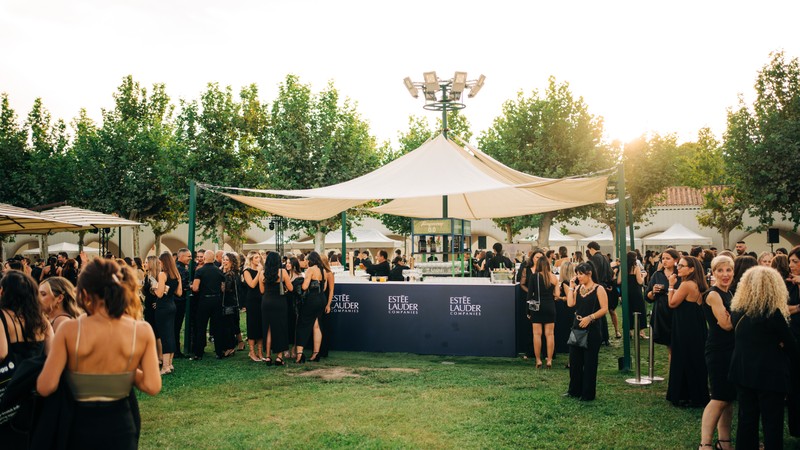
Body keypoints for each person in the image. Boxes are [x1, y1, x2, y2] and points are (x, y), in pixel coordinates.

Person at [36, 258, 161, 449]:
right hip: (121, 427)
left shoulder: (69, 330)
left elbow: (45, 386)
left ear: (84, 293)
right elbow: (152, 386)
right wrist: (121, 371)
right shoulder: (141, 330)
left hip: (78, 427)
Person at [728, 266, 800, 450]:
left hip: (742, 371)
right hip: (770, 374)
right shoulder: (773, 314)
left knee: (746, 419)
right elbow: (791, 346)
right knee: (772, 422)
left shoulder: (738, 310)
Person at [0, 271, 54, 448]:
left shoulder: (2, 317)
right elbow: (52, 354)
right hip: (36, 389)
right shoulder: (42, 320)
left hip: (11, 390)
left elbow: (1, 353)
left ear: (4, 292)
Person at [698, 255, 735, 450]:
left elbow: (729, 321)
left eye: (728, 270)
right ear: (713, 273)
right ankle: (705, 444)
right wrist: (738, 315)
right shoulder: (713, 295)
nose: (725, 274)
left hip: (731, 350)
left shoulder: (729, 293)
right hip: (718, 351)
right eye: (720, 270)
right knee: (719, 398)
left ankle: (724, 441)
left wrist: (732, 315)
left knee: (728, 398)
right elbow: (726, 325)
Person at [666, 256, 709, 408]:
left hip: (685, 325)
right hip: (696, 324)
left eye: (681, 266)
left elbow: (672, 303)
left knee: (683, 357)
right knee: (695, 358)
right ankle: (696, 393)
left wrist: (671, 286)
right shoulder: (699, 283)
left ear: (691, 269)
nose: (678, 268)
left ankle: (683, 395)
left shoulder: (686, 284)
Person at [564, 262, 608, 401]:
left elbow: (604, 308)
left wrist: (590, 317)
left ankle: (588, 393)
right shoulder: (578, 288)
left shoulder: (599, 289)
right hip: (577, 327)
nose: (579, 276)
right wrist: (571, 287)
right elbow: (570, 304)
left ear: (589, 273)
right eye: (577, 274)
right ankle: (574, 390)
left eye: (581, 274)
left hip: (592, 329)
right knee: (575, 361)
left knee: (589, 363)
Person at [296, 251, 333, 363]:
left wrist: (300, 282)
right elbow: (324, 288)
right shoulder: (324, 271)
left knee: (303, 325)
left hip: (312, 299)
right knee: (316, 326)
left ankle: (299, 355)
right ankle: (316, 354)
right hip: (322, 299)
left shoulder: (310, 270)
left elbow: (304, 287)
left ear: (310, 260)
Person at [191, 250, 226, 360]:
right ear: (213, 258)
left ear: (204, 258)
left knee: (201, 327)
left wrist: (192, 286)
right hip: (217, 300)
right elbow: (223, 287)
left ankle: (199, 353)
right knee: (218, 327)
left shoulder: (200, 271)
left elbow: (195, 288)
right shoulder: (218, 271)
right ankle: (219, 352)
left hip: (204, 301)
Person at [645, 249, 680, 354]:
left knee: (678, 344)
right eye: (663, 258)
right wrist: (653, 292)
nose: (664, 261)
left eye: (668, 258)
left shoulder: (680, 274)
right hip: (661, 312)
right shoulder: (657, 274)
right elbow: (647, 297)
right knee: (669, 345)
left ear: (675, 260)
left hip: (677, 311)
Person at [259, 252, 292, 366]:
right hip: (279, 302)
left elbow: (262, 291)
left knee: (268, 329)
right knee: (280, 328)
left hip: (266, 302)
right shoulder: (282, 272)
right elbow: (291, 288)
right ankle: (279, 357)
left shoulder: (262, 273)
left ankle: (268, 356)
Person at [527, 256, 558, 369]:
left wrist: (528, 311)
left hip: (537, 307)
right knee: (550, 334)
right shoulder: (553, 277)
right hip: (550, 306)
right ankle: (549, 360)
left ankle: (538, 360)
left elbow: (529, 295)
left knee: (537, 334)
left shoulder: (534, 276)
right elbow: (557, 295)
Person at [155, 252, 181, 375]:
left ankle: (165, 366)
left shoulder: (162, 274)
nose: (159, 264)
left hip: (163, 307)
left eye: (160, 262)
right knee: (170, 334)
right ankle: (170, 363)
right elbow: (179, 293)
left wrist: (154, 288)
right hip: (172, 305)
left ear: (163, 262)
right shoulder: (176, 274)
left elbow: (159, 294)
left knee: (164, 336)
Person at [587, 241, 618, 342]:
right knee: (602, 311)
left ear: (591, 249)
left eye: (589, 250)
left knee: (598, 312)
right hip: (605, 286)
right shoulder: (605, 257)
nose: (589, 252)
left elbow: (593, 273)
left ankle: (602, 337)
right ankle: (605, 337)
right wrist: (609, 284)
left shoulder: (595, 258)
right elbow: (611, 273)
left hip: (598, 286)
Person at [786, 246, 800, 437]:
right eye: (790, 261)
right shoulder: (790, 285)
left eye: (795, 261)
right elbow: (783, 308)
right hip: (793, 339)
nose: (791, 265)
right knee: (795, 385)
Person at [618, 251, 646, 338]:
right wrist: (644, 276)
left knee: (628, 310)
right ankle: (641, 332)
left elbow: (619, 281)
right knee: (640, 310)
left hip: (626, 292)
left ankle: (629, 331)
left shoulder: (623, 268)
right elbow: (640, 281)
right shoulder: (636, 267)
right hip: (636, 292)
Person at [243, 251, 265, 362]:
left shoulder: (261, 270)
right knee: (252, 325)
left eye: (259, 257)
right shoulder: (247, 271)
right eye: (256, 257)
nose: (259, 259)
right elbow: (252, 284)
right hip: (251, 300)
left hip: (261, 299)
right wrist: (259, 272)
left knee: (260, 325)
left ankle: (260, 351)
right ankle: (252, 352)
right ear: (251, 259)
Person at [219, 253, 240, 357]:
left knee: (228, 326)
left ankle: (230, 348)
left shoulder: (230, 274)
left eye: (227, 260)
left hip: (229, 302)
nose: (224, 261)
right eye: (223, 259)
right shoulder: (223, 272)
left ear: (232, 262)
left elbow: (225, 289)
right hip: (225, 302)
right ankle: (226, 346)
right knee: (224, 325)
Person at [554, 261, 576, 356]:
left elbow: (568, 297)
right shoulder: (573, 282)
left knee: (564, 328)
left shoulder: (565, 283)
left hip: (566, 309)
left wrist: (559, 298)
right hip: (571, 309)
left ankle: (564, 347)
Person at [142, 256, 161, 364]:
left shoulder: (157, 277)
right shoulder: (147, 276)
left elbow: (162, 291)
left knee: (156, 332)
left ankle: (160, 357)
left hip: (154, 307)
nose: (144, 264)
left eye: (146, 262)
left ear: (151, 263)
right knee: (152, 331)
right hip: (148, 306)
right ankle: (155, 356)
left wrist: (158, 302)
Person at [173, 249, 192, 358]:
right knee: (177, 326)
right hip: (179, 301)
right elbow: (184, 286)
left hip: (173, 300)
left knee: (174, 327)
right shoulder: (182, 270)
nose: (190, 258)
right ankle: (176, 351)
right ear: (181, 256)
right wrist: (191, 286)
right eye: (188, 256)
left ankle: (175, 350)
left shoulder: (173, 267)